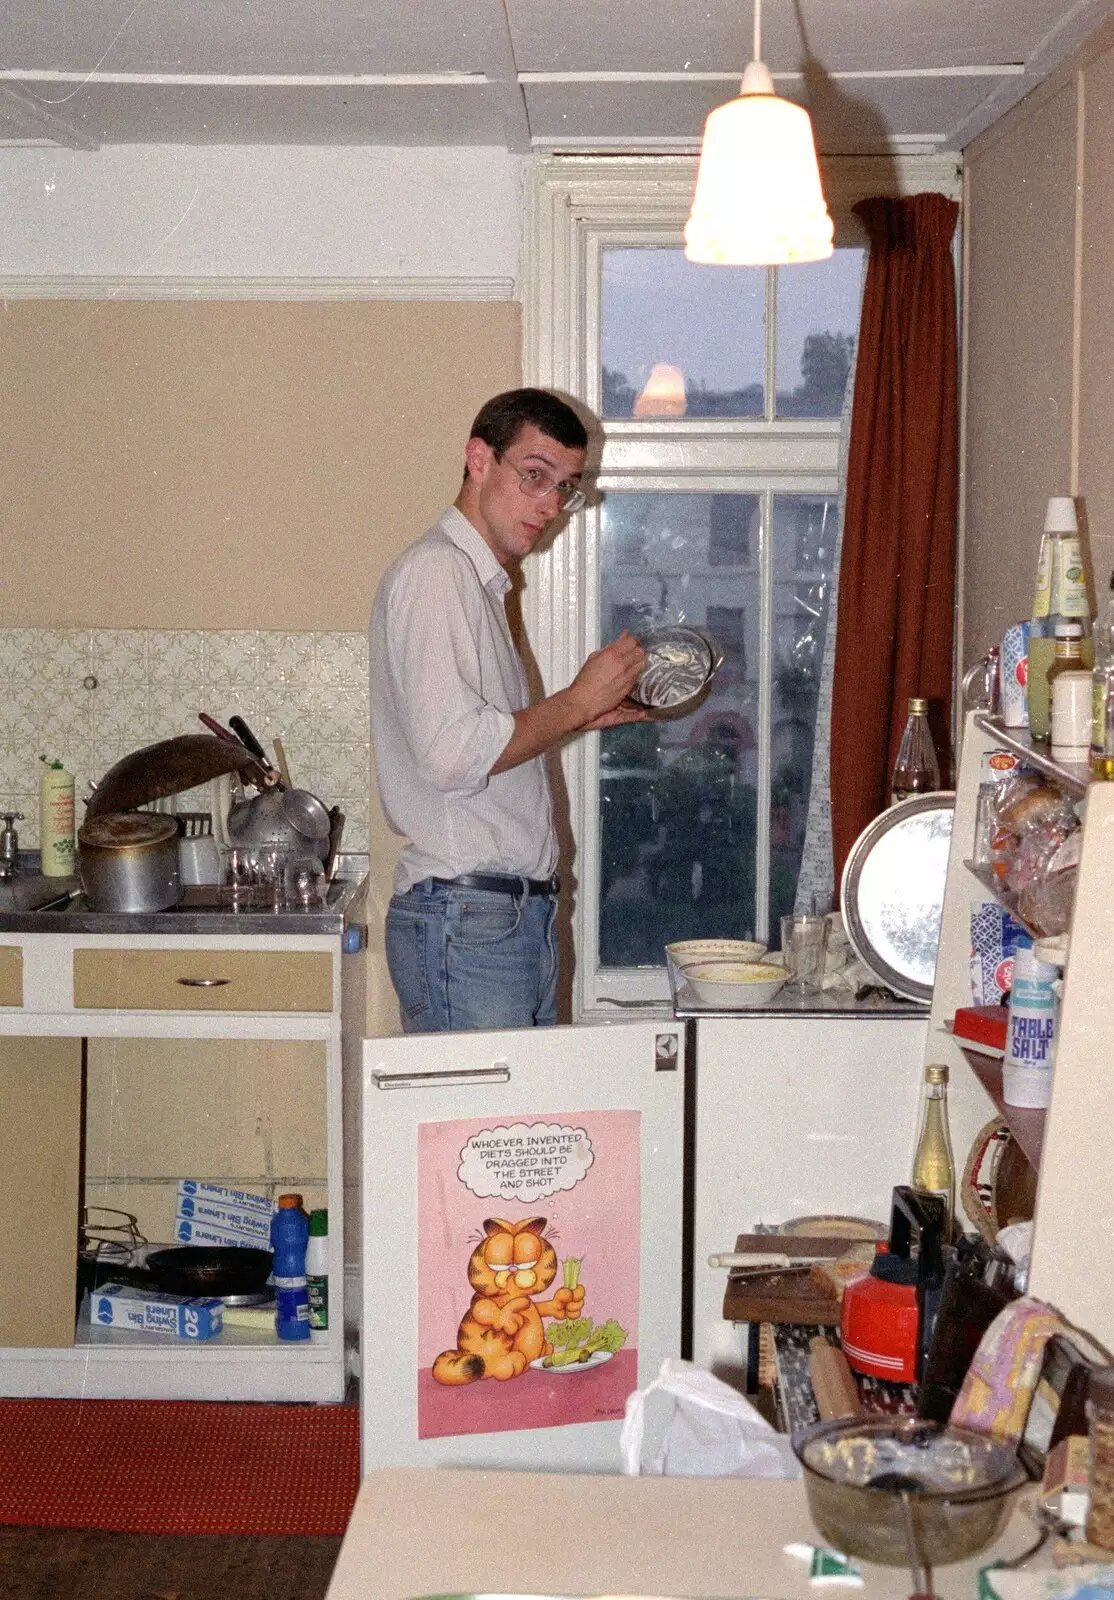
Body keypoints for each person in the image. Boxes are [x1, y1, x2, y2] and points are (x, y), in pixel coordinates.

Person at [370, 387, 648, 1033]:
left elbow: (477, 747)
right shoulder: (438, 574)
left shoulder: (478, 583)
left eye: (566, 488)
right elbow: (451, 758)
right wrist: (574, 701)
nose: (551, 505)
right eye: (534, 477)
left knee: (502, 1126)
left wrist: (573, 718)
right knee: (484, 1128)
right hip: (470, 923)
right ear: (478, 460)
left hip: (494, 920)